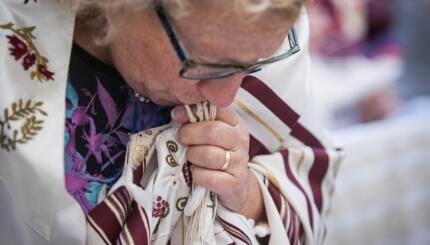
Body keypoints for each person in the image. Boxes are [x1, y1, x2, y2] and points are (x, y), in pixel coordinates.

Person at [0, 0, 342, 244]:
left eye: (254, 63)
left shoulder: (267, 23)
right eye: (208, 63)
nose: (226, 97)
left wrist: (247, 194)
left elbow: (309, 190)